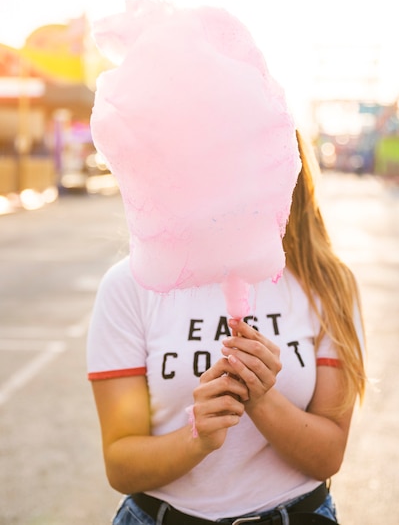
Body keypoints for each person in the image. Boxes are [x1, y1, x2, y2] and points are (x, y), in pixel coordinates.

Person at [87, 127, 366, 525]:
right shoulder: (130, 285)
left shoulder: (327, 284)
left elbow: (328, 457)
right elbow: (121, 466)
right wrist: (195, 438)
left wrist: (261, 399)